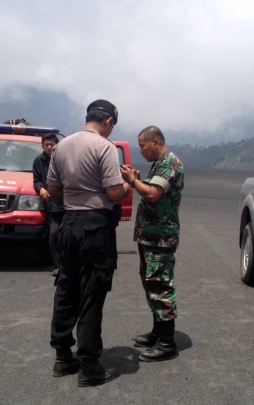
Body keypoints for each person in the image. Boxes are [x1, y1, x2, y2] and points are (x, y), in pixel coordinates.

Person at [47, 100, 131, 387]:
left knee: (66, 287)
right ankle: (90, 365)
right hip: (95, 225)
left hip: (69, 223)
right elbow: (112, 190)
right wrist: (128, 185)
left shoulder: (62, 145)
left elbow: (54, 189)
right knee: (92, 292)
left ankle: (62, 356)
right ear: (107, 121)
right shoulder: (104, 147)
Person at [120, 126, 184, 362]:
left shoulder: (170, 163)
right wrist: (137, 179)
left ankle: (167, 342)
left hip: (161, 238)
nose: (141, 150)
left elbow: (153, 194)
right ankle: (158, 332)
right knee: (151, 284)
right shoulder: (159, 163)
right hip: (150, 236)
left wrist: (132, 180)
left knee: (160, 285)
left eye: (142, 145)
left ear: (155, 141)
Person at [32, 133, 63, 276]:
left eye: (52, 144)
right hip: (52, 204)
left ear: (57, 145)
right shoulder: (38, 161)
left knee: (69, 234)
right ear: (42, 146)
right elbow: (36, 180)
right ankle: (57, 265)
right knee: (54, 233)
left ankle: (70, 264)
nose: (49, 147)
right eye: (46, 144)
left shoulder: (64, 159)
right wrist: (41, 188)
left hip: (69, 202)